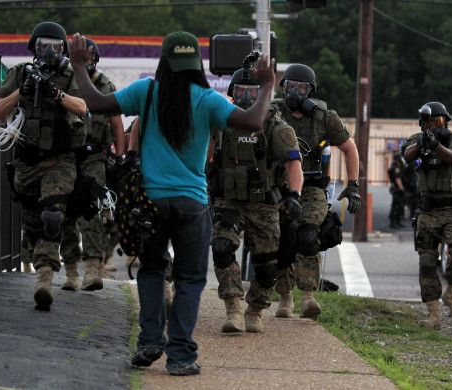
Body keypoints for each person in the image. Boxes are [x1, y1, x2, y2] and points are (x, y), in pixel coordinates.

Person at [68, 30, 276, 376]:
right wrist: (267, 85)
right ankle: (180, 355)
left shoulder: (146, 91)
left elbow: (98, 104)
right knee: (189, 280)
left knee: (151, 270)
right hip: (192, 205)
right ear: (196, 63)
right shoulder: (207, 99)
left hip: (149, 203)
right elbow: (253, 121)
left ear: (164, 60)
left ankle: (149, 342)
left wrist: (78, 65)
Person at [0, 22, 87, 311]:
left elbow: (83, 107)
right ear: (34, 46)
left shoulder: (70, 75)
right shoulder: (20, 72)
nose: (49, 51)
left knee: (53, 216)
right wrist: (22, 90)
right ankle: (41, 267)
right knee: (32, 226)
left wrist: (56, 94)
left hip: (59, 159)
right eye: (44, 45)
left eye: (56, 46)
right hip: (27, 161)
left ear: (64, 49)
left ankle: (44, 279)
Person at [208, 67, 303, 333]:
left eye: (253, 91)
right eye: (241, 91)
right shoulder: (220, 122)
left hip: (264, 204)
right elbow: (206, 155)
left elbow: (293, 166)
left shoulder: (274, 125)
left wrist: (294, 195)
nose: (247, 97)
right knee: (222, 246)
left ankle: (255, 310)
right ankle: (233, 309)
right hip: (229, 201)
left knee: (266, 264)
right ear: (232, 93)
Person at [271, 64, 361, 319]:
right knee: (281, 239)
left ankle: (308, 296)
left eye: (301, 88)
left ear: (310, 91)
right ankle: (285, 296)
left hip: (312, 187)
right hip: (280, 187)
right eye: (290, 87)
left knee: (309, 235)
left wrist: (352, 186)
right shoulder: (274, 112)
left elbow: (350, 149)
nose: (295, 93)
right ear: (283, 87)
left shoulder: (324, 116)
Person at [60, 37, 125, 291]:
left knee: (93, 211)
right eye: (81, 57)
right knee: (64, 212)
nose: (86, 62)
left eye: (90, 57)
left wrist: (121, 161)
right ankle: (71, 270)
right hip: (65, 156)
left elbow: (117, 125)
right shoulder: (65, 81)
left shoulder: (105, 85)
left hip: (95, 156)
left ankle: (92, 269)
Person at [401, 101, 452, 329]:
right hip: (427, 209)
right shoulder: (418, 138)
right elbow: (407, 155)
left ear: (446, 122)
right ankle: (433, 314)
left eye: (439, 121)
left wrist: (436, 145)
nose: (434, 126)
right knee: (426, 262)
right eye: (429, 122)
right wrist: (423, 143)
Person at [387, 151, 406, 229]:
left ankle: (397, 221)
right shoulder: (396, 167)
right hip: (397, 189)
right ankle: (393, 222)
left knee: (398, 205)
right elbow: (398, 179)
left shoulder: (393, 166)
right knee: (396, 205)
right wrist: (401, 188)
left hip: (395, 188)